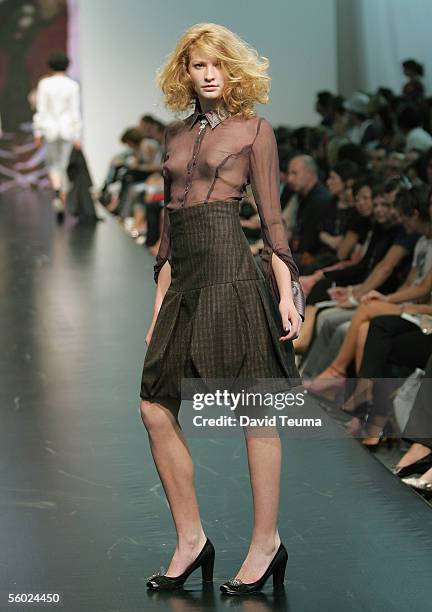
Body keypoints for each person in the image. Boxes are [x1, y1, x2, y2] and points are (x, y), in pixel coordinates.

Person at [139, 22, 304, 596]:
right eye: (197, 65)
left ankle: (266, 544)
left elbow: (273, 219)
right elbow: (167, 229)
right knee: (154, 406)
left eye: (216, 64)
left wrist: (287, 294)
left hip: (233, 275)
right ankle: (192, 540)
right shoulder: (173, 135)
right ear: (184, 72)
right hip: (184, 279)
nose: (207, 74)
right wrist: (157, 303)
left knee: (254, 411)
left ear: (232, 70)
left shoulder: (255, 131)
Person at [33, 52, 82, 222]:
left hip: (50, 129)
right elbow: (75, 111)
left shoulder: (44, 84)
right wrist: (77, 135)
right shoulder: (72, 85)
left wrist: (38, 132)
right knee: (64, 164)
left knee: (52, 164)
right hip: (68, 129)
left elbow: (41, 109)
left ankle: (56, 190)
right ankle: (62, 194)